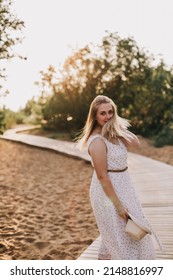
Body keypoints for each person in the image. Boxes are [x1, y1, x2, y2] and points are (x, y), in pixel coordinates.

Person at [77, 95, 156, 260]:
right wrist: (118, 206)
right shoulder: (97, 141)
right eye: (103, 113)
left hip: (125, 185)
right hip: (107, 192)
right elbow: (102, 176)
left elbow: (135, 143)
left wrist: (117, 126)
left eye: (110, 112)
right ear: (94, 116)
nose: (107, 117)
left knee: (132, 230)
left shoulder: (114, 133)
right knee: (118, 235)